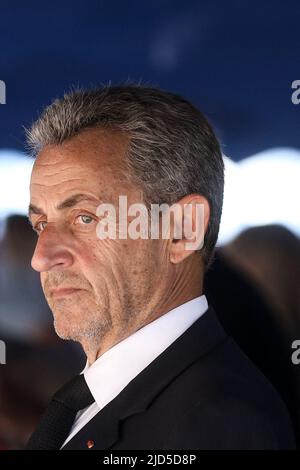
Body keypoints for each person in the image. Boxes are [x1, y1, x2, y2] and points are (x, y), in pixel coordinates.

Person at [25, 85, 295, 450]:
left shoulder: (218, 425)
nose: (41, 257)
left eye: (85, 218)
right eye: (41, 224)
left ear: (183, 229)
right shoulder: (102, 397)